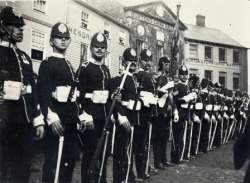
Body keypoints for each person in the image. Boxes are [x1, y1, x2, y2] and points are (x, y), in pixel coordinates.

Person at [37, 22, 88, 183]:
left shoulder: (69, 65)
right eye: (59, 38)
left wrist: (80, 116)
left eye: (66, 38)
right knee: (52, 161)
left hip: (71, 120)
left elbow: (74, 97)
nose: (63, 41)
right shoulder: (47, 64)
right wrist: (52, 118)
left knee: (70, 160)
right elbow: (43, 94)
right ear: (52, 41)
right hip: (57, 120)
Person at [0, 6, 45, 182]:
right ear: (2, 27)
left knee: (23, 169)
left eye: (21, 27)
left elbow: (32, 92)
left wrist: (38, 120)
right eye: (15, 26)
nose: (20, 30)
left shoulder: (25, 57)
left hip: (24, 123)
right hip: (4, 123)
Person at [78, 32, 111, 183]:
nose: (99, 50)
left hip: (104, 118)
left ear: (106, 50)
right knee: (90, 154)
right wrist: (85, 117)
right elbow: (79, 95)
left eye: (102, 47)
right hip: (91, 119)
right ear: (91, 48)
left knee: (103, 154)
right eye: (96, 47)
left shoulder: (105, 70)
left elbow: (108, 94)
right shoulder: (85, 68)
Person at [110, 47, 139, 183]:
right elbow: (117, 101)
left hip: (132, 118)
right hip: (123, 119)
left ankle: (128, 177)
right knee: (120, 151)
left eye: (134, 61)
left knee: (128, 150)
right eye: (129, 61)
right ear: (123, 61)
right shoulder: (119, 79)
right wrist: (121, 116)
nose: (132, 63)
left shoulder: (133, 79)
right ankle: (119, 179)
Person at [133, 49, 158, 181]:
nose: (147, 63)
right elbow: (135, 94)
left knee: (147, 142)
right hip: (141, 114)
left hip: (150, 113)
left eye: (149, 60)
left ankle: (146, 167)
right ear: (139, 60)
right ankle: (140, 171)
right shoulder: (138, 75)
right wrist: (145, 100)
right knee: (140, 143)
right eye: (145, 60)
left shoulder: (151, 76)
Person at [171, 65, 196, 164]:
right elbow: (176, 100)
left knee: (185, 135)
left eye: (186, 75)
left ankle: (183, 155)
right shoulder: (177, 86)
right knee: (177, 136)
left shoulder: (188, 86)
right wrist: (187, 98)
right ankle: (176, 158)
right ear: (179, 75)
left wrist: (192, 99)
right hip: (179, 112)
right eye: (182, 75)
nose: (184, 77)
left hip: (186, 112)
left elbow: (191, 100)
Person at [153, 56, 175, 170]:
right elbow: (156, 93)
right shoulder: (158, 78)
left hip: (167, 111)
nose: (168, 66)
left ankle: (164, 159)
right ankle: (158, 161)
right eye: (166, 64)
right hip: (160, 111)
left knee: (165, 137)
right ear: (162, 65)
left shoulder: (168, 78)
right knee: (158, 137)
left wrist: (171, 103)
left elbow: (171, 96)